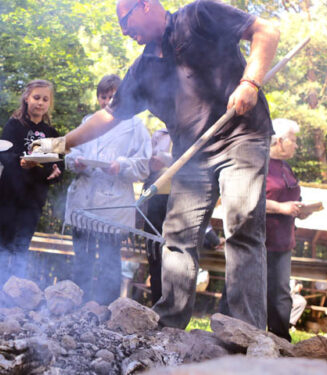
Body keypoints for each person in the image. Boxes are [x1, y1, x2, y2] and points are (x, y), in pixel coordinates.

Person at [33, 0, 280, 329]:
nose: (124, 31)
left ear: (146, 5)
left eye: (126, 20)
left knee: (242, 226)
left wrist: (250, 82)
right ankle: (170, 322)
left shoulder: (199, 15)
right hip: (192, 154)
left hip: (241, 135)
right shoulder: (142, 69)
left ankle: (246, 331)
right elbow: (108, 116)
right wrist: (59, 145)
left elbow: (266, 31)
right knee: (178, 234)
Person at [64, 74, 151, 304]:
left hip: (114, 207)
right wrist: (77, 162)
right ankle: (77, 306)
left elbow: (143, 167)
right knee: (82, 259)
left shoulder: (136, 127)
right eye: (103, 97)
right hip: (83, 203)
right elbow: (69, 155)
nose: (108, 101)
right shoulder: (88, 122)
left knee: (109, 263)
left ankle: (105, 309)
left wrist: (120, 166)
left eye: (113, 96)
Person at [0, 79, 63, 289]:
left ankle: (15, 289)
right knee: (5, 242)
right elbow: (3, 153)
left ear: (49, 103)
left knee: (22, 244)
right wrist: (20, 162)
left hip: (34, 199)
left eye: (45, 99)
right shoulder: (14, 125)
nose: (40, 103)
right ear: (27, 98)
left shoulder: (52, 132)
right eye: (36, 98)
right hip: (10, 194)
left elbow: (59, 163)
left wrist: (57, 172)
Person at [263, 118, 313, 341]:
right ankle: (241, 337)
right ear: (279, 141)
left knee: (282, 294)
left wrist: (302, 210)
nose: (296, 145)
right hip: (258, 240)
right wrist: (281, 208)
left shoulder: (287, 169)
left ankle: (281, 341)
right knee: (250, 289)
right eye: (293, 140)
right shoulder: (258, 163)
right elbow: (247, 199)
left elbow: (293, 199)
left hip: (283, 242)